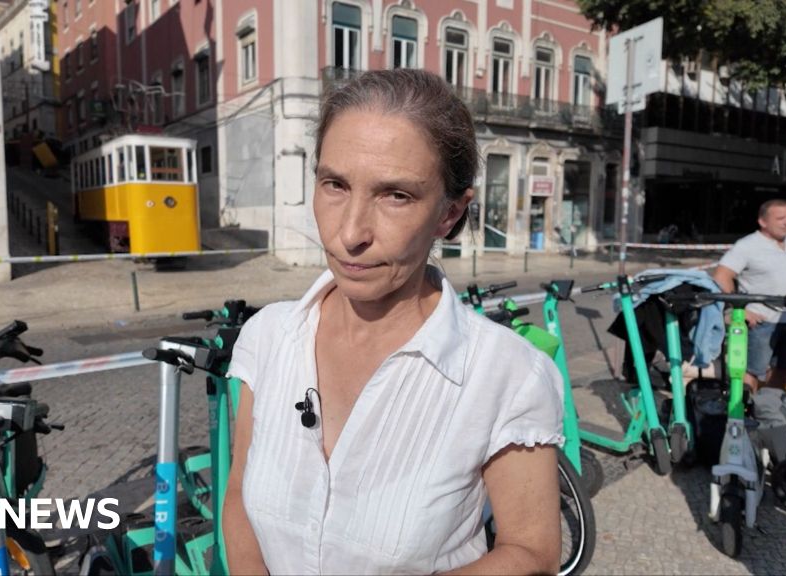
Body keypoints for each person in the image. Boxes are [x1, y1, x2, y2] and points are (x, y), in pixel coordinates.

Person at [222, 69, 564, 574]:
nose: (350, 233)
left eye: (395, 195)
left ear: (449, 214)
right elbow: (239, 495)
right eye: (335, 184)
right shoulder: (267, 338)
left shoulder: (507, 375)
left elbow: (533, 552)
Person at [713, 199, 786, 393]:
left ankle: (772, 412)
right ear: (763, 222)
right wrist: (740, 309)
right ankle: (746, 412)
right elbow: (722, 275)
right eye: (780, 218)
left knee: (784, 368)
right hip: (760, 320)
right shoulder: (747, 245)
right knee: (752, 371)